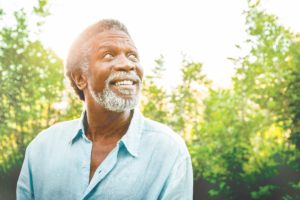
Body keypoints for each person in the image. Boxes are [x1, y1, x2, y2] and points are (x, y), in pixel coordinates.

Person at [17, 19, 193, 200]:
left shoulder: (169, 151)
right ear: (80, 78)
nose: (127, 64)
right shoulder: (41, 148)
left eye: (133, 56)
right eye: (109, 55)